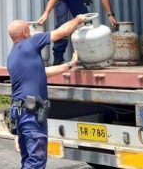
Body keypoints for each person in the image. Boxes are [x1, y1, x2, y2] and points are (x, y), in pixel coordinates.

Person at [6, 15, 87, 169]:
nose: (30, 33)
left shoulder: (13, 56)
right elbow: (61, 33)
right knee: (36, 161)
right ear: (24, 33)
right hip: (31, 114)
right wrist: (78, 19)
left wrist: (69, 65)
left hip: (18, 114)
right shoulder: (31, 42)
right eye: (28, 30)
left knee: (28, 159)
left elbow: (41, 72)